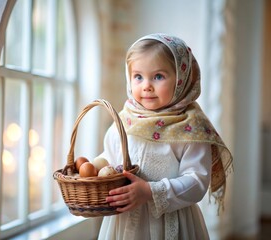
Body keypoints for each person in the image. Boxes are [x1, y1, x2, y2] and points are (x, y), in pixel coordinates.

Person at [96, 33, 233, 239]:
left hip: (170, 222)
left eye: (158, 76)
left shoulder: (191, 129)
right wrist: (91, 167)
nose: (146, 86)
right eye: (138, 76)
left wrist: (151, 191)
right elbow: (110, 157)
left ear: (181, 80)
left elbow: (196, 182)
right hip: (124, 221)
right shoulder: (124, 121)